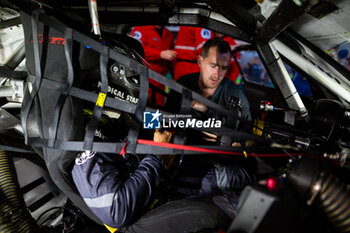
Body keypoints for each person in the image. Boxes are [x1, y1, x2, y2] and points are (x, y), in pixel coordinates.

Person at [173, 26, 241, 83]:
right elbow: (205, 51)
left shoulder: (230, 42)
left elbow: (234, 69)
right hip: (190, 69)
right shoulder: (204, 26)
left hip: (193, 69)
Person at [130, 26, 176, 106]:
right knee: (144, 106)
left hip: (161, 80)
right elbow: (136, 49)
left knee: (159, 108)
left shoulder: (169, 34)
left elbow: (171, 57)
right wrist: (160, 54)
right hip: (145, 77)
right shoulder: (140, 29)